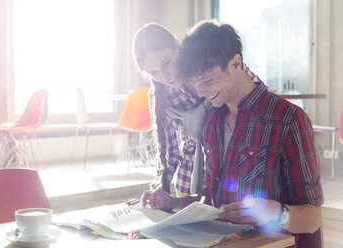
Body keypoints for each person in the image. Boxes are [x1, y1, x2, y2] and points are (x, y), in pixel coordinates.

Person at [143, 20, 323, 247]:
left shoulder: (287, 119)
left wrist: (274, 211)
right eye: (195, 82)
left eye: (207, 80)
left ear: (236, 63)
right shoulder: (211, 120)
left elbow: (313, 220)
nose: (200, 92)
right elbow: (215, 202)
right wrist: (174, 203)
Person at [132, 23, 261, 200]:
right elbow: (170, 153)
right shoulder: (161, 95)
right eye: (154, 73)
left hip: (231, 171)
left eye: (167, 62)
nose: (165, 76)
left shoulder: (209, 63)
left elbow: (260, 98)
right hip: (188, 180)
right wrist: (159, 188)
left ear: (177, 45)